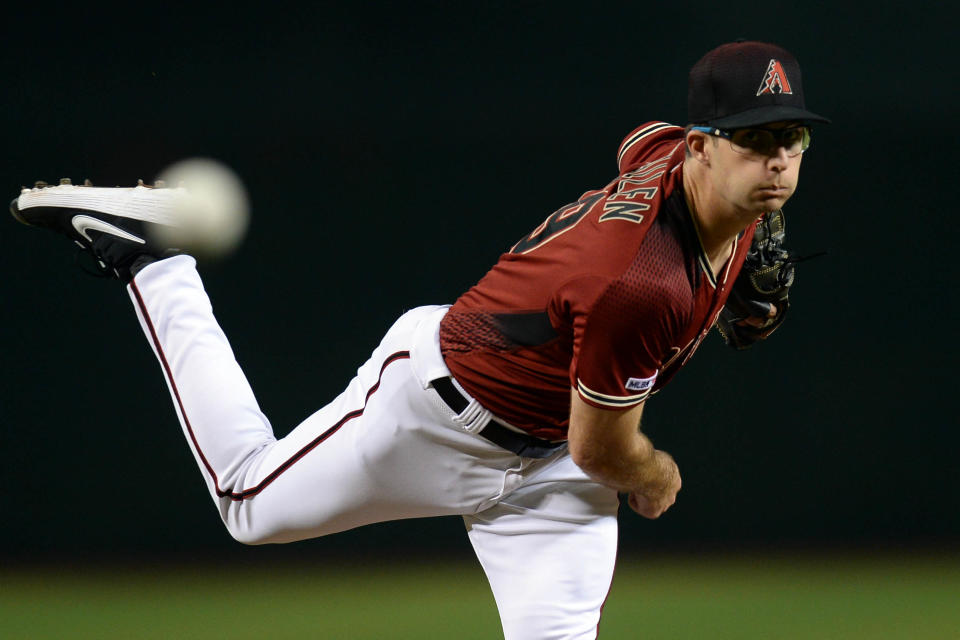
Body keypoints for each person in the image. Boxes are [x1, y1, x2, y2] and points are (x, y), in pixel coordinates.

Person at [10, 40, 828, 639]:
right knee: (246, 505)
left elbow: (636, 144)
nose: (779, 162)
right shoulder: (640, 285)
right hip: (441, 412)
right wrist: (657, 479)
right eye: (755, 142)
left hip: (544, 474)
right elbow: (606, 451)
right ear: (700, 148)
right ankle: (154, 263)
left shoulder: (676, 163)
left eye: (791, 140)